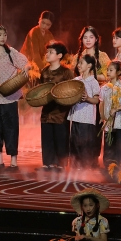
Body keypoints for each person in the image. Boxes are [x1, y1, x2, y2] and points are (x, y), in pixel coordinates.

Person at [0, 25, 29, 170]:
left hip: (10, 96)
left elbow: (26, 64)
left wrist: (26, 69)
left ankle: (13, 162)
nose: (3, 37)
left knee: (11, 128)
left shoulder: (11, 52)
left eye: (4, 35)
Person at [39, 41, 73, 170]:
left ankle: (61, 164)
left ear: (59, 55)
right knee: (47, 138)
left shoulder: (66, 72)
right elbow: (40, 90)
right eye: (47, 52)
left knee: (61, 138)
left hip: (61, 112)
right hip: (46, 112)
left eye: (51, 52)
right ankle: (48, 163)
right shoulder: (44, 71)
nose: (47, 54)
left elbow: (71, 90)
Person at [67, 55, 102, 170]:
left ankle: (85, 168)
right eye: (79, 63)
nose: (79, 65)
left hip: (87, 119)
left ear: (89, 65)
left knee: (84, 143)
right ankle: (74, 166)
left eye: (81, 63)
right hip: (76, 116)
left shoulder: (93, 82)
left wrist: (87, 98)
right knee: (74, 142)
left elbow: (96, 100)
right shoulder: (76, 80)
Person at [99, 61, 121, 169]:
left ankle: (118, 168)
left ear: (118, 72)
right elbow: (101, 103)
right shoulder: (104, 88)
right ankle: (107, 168)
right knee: (108, 146)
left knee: (118, 147)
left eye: (111, 70)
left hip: (119, 122)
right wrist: (102, 116)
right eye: (107, 70)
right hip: (108, 122)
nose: (108, 72)